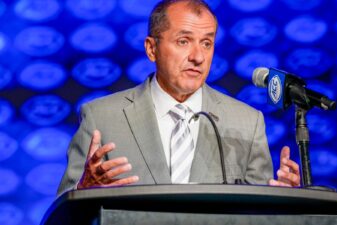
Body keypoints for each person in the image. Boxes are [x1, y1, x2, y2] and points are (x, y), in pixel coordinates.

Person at [57, 0, 300, 195]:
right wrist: (83, 191)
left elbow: (258, 214)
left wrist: (285, 201)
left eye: (207, 43)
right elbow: (63, 213)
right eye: (183, 41)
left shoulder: (247, 122)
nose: (198, 56)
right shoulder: (102, 117)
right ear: (152, 49)